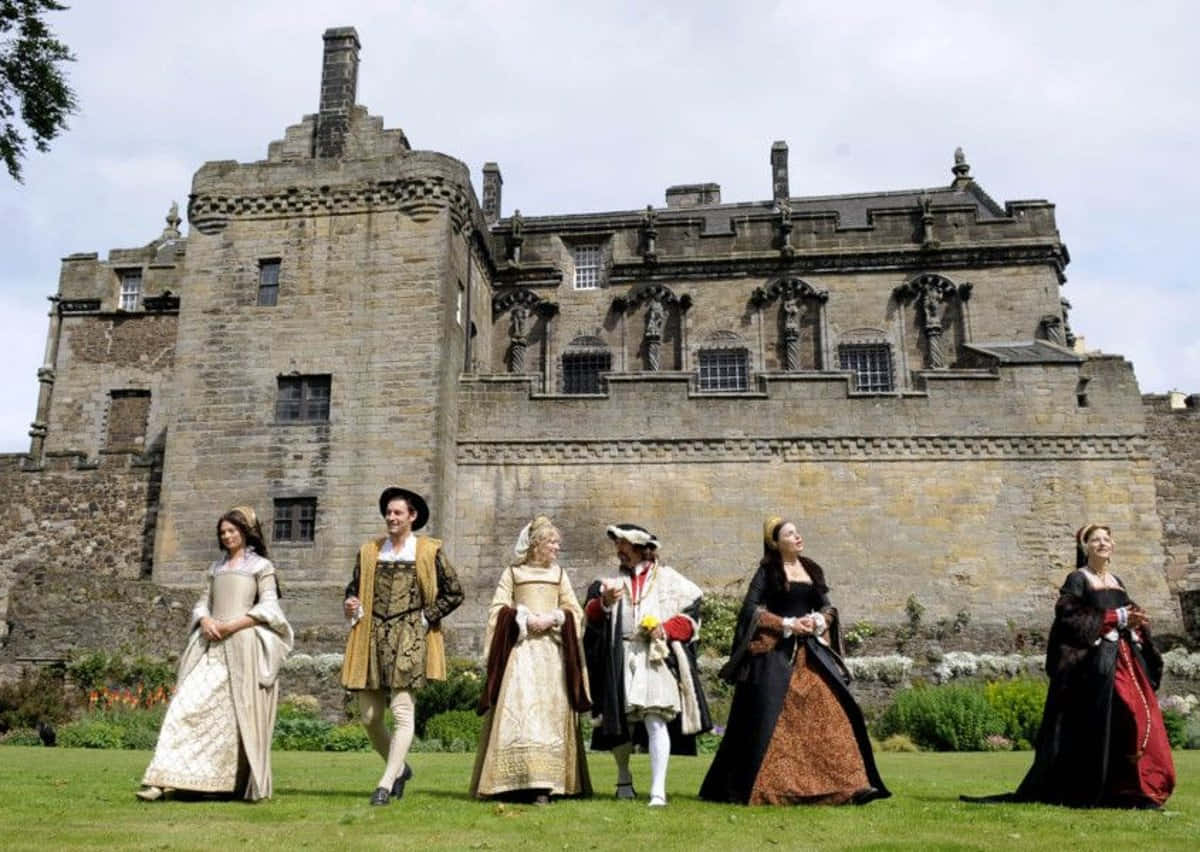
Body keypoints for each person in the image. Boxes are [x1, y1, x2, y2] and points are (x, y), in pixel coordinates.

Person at [962, 523, 1175, 809]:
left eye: (1106, 539)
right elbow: (1069, 617)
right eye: (1095, 540)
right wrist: (1115, 617)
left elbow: (1126, 613)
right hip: (1095, 665)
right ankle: (1093, 786)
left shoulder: (1117, 581)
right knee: (1110, 717)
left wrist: (1136, 623)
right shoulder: (1078, 579)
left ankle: (1134, 787)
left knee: (1137, 715)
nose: (1102, 544)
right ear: (1084, 547)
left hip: (1124, 660)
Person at [699, 517, 888, 805]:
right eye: (790, 534)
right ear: (776, 542)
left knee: (833, 713)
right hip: (776, 656)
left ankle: (850, 786)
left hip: (811, 654)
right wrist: (786, 624)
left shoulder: (811, 568)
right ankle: (774, 789)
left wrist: (818, 620)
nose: (798, 537)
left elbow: (827, 607)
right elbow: (750, 610)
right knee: (773, 721)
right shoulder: (767, 571)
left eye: (798, 532)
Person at [137, 506, 293, 802]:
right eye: (223, 532)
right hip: (210, 645)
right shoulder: (215, 568)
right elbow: (201, 603)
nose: (227, 536)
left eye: (232, 530)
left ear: (245, 532)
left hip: (242, 644)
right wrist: (206, 620)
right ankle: (162, 779)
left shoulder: (261, 567)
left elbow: (271, 607)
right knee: (184, 706)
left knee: (230, 718)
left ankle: (219, 783)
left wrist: (234, 624)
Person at [341, 486, 464, 806]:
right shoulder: (370, 550)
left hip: (409, 635)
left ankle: (384, 784)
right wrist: (351, 603)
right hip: (371, 635)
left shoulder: (428, 551)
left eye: (397, 513)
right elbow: (353, 589)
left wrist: (426, 618)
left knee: (402, 710)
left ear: (412, 517)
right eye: (388, 512)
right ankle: (399, 769)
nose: (391, 517)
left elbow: (454, 592)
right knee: (369, 716)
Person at [583, 523, 711, 807]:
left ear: (643, 549)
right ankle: (623, 776)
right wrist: (604, 602)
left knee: (655, 718)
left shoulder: (669, 580)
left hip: (654, 656)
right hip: (620, 654)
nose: (620, 552)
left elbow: (691, 615)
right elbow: (590, 617)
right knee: (621, 722)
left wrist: (663, 629)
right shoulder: (608, 582)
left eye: (625, 547)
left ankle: (657, 791)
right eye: (618, 547)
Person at [470, 516, 592, 802]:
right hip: (521, 654)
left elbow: (575, 611)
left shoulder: (559, 575)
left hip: (552, 654)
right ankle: (511, 782)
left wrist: (554, 617)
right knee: (519, 712)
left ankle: (546, 784)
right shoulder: (512, 574)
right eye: (552, 542)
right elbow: (497, 610)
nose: (557, 547)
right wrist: (522, 617)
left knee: (548, 716)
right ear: (536, 544)